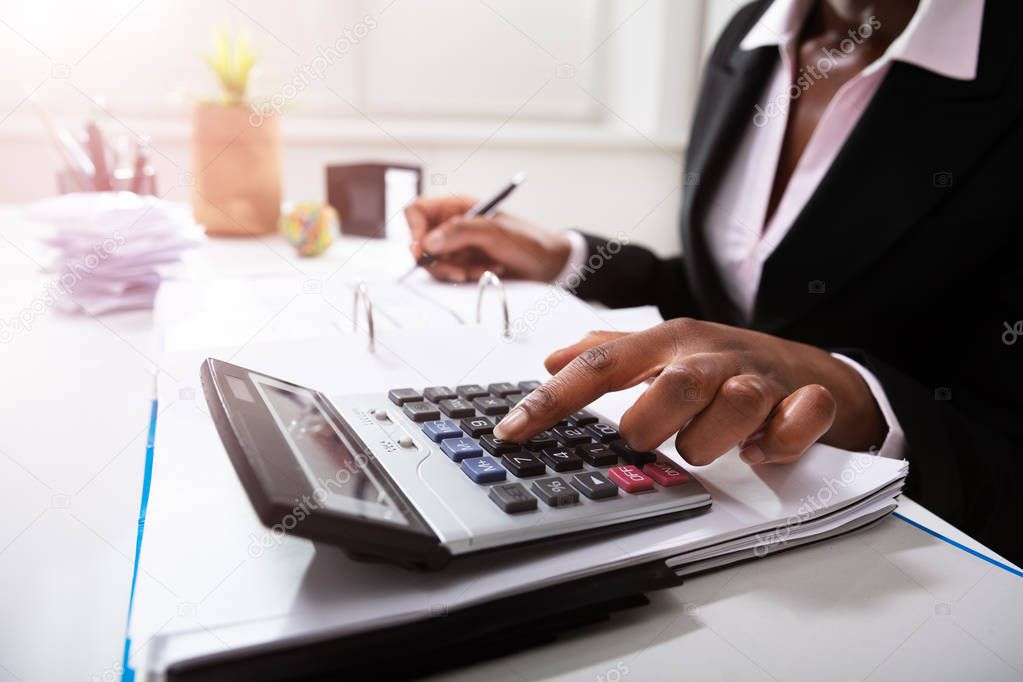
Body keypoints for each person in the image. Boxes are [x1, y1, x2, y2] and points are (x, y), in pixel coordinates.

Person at [404, 0, 1022, 565]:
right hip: (728, 512)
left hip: (901, 560)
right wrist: (567, 256)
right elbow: (732, 301)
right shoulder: (750, 34)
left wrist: (853, 396)